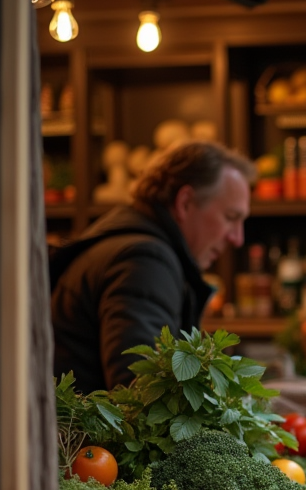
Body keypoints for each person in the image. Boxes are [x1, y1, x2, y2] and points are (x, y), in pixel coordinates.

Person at [51, 141, 255, 391]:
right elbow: (144, 395)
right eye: (231, 218)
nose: (237, 238)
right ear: (185, 202)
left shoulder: (128, 243)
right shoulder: (145, 261)